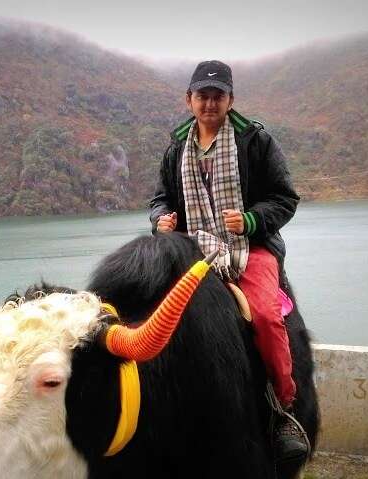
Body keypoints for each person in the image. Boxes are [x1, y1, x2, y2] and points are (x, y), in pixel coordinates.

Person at [149, 60, 309, 463]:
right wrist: (161, 220)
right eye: (202, 95)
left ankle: (284, 410)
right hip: (192, 247)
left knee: (266, 316)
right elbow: (160, 200)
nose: (209, 103)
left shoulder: (255, 141)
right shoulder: (175, 149)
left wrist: (253, 219)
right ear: (189, 100)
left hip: (251, 246)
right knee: (150, 313)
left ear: (230, 100)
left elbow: (285, 197)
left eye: (217, 96)